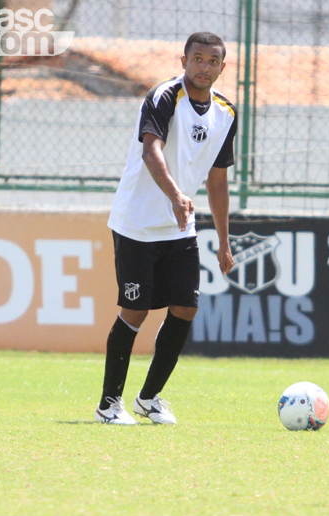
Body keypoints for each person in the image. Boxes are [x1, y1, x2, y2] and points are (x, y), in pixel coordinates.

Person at [95, 32, 237, 425]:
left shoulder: (226, 112)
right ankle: (109, 404)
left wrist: (224, 242)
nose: (204, 67)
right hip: (138, 222)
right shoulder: (163, 97)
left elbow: (218, 180)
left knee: (186, 307)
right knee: (136, 310)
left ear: (222, 68)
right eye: (197, 59)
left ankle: (149, 398)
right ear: (183, 61)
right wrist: (176, 195)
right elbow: (151, 148)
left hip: (180, 227)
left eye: (212, 61)